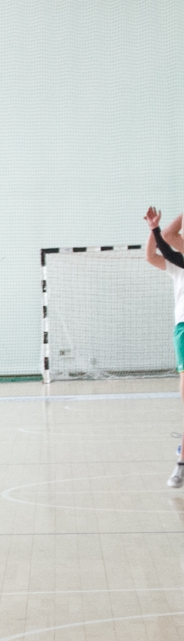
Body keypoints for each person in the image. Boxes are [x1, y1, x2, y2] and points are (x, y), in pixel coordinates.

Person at [145, 207, 184, 486]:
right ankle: (181, 464)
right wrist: (154, 230)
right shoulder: (179, 264)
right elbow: (159, 248)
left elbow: (169, 236)